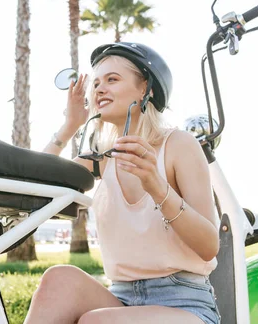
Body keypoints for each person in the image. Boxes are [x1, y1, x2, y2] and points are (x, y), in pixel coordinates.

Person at [24, 42, 220, 324]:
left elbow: (209, 245)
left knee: (96, 321)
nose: (99, 89)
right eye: (96, 83)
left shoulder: (179, 145)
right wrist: (70, 125)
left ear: (146, 89)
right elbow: (37, 183)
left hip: (185, 302)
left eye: (112, 80)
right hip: (121, 299)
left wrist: (156, 185)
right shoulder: (103, 158)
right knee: (59, 280)